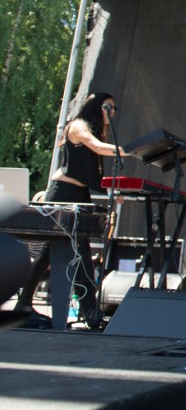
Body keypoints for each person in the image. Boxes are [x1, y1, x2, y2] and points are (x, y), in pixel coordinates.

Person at [15, 92, 124, 328]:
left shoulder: (96, 132)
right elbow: (95, 146)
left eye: (115, 109)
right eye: (108, 107)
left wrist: (115, 190)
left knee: (78, 253)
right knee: (52, 252)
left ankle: (89, 312)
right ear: (96, 106)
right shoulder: (78, 127)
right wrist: (125, 150)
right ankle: (26, 305)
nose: (112, 113)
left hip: (78, 195)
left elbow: (92, 174)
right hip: (62, 193)